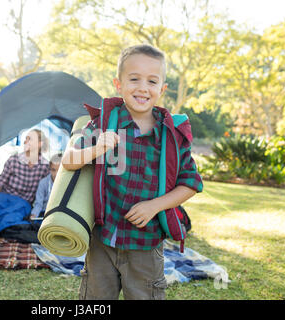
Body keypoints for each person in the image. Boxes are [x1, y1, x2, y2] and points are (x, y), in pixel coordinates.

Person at [62, 44, 203, 300]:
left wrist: (154, 206)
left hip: (146, 245)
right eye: (134, 79)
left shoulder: (172, 136)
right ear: (119, 84)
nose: (142, 87)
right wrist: (95, 149)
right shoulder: (103, 124)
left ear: (162, 89)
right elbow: (68, 160)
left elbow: (190, 183)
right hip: (102, 239)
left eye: (152, 81)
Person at [0, 129, 50, 204]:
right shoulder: (13, 160)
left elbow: (45, 192)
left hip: (22, 204)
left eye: (29, 139)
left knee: (11, 215)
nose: (25, 141)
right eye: (25, 139)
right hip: (4, 197)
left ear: (40, 144)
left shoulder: (45, 167)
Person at [30, 152, 62, 219]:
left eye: (59, 171)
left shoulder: (67, 183)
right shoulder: (43, 183)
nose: (56, 174)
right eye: (53, 170)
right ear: (49, 168)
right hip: (44, 213)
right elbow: (39, 203)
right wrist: (34, 215)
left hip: (60, 213)